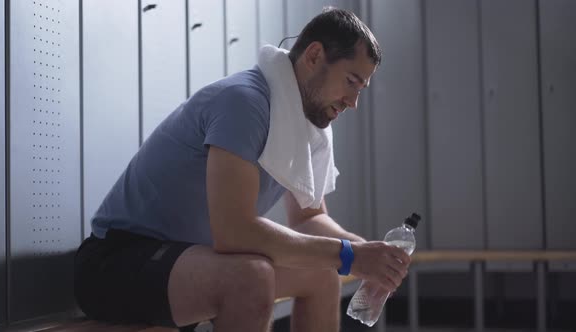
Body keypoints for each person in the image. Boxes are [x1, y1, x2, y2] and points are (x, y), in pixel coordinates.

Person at [74, 7, 411, 332]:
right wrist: (350, 256)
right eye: (351, 81)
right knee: (252, 277)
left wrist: (371, 255)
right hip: (118, 261)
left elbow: (309, 218)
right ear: (313, 56)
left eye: (361, 89)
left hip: (193, 260)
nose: (353, 102)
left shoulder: (308, 121)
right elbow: (235, 232)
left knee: (322, 274)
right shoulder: (244, 102)